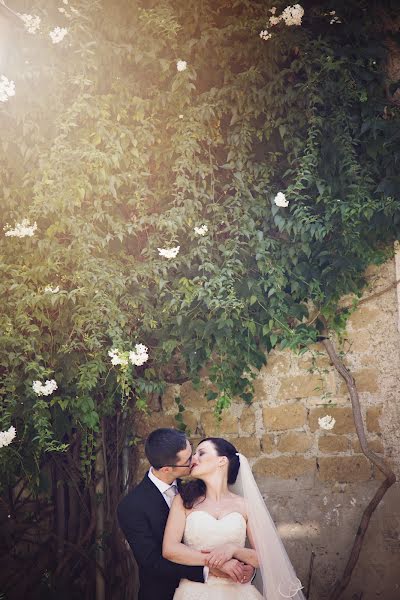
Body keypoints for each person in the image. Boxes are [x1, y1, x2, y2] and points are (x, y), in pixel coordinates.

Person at [117, 429, 254, 600]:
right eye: (189, 459)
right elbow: (152, 562)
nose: (194, 460)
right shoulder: (132, 506)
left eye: (195, 452)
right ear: (167, 469)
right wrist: (212, 568)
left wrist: (243, 569)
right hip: (167, 594)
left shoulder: (193, 491)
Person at [163, 437, 305, 600]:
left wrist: (234, 549)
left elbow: (266, 556)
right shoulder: (184, 499)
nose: (193, 459)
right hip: (193, 592)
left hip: (239, 592)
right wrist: (217, 563)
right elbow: (170, 549)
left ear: (221, 461)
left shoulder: (245, 506)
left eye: (201, 453)